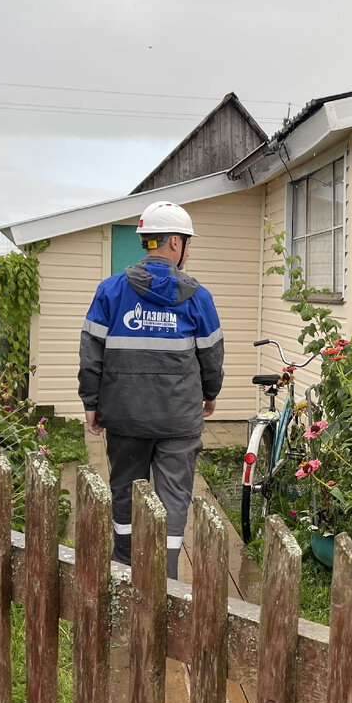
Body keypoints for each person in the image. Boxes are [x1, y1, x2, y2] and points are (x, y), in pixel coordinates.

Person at [78, 201, 223, 580]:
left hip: (125, 417)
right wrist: (210, 394)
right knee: (174, 497)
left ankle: (124, 569)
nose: (187, 251)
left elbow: (91, 353)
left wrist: (91, 402)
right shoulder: (198, 297)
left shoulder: (110, 291)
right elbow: (212, 355)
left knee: (125, 490)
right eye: (187, 243)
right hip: (178, 420)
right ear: (175, 243)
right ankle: (167, 579)